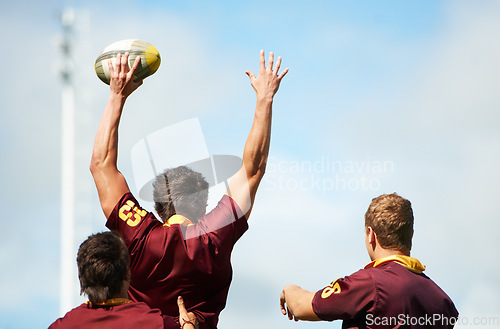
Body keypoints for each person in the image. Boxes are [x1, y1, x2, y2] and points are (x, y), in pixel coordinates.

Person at [90, 50, 288, 329]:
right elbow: (253, 169)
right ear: (204, 204)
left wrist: (117, 96)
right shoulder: (215, 234)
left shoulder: (140, 233)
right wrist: (264, 99)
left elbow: (101, 166)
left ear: (158, 207)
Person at [280, 193, 459, 329]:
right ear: (411, 235)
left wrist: (290, 290)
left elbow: (300, 306)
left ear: (371, 235)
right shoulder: (443, 301)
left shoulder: (368, 283)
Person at [49, 231, 198, 329]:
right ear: (127, 274)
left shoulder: (61, 326)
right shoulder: (157, 324)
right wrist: (188, 326)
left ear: (82, 277)